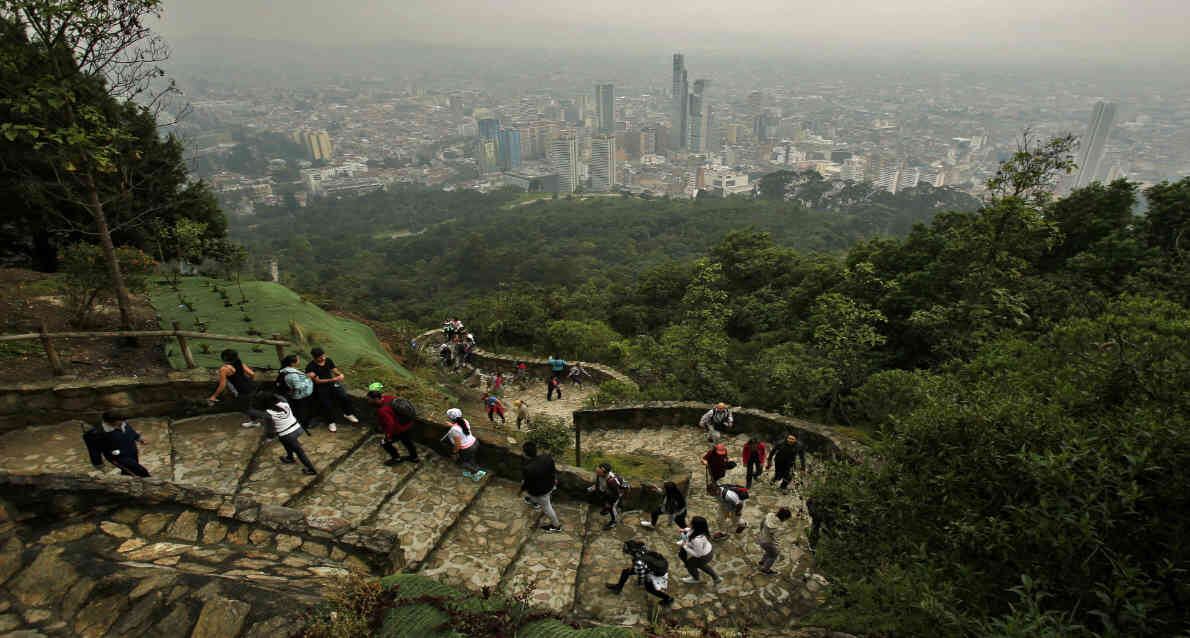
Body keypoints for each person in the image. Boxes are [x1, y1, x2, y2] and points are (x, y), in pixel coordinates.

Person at [255, 391, 317, 476]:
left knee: (299, 452)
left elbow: (269, 429)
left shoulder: (267, 413)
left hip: (287, 434)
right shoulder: (284, 402)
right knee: (284, 442)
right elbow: (277, 395)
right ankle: (290, 457)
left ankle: (311, 469)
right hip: (297, 428)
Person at [305, 347, 359, 433]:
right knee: (327, 404)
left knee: (344, 397)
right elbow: (317, 381)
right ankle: (331, 422)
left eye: (323, 356)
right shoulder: (310, 367)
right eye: (320, 357)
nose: (323, 358)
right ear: (314, 358)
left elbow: (334, 370)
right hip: (320, 387)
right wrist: (333, 379)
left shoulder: (328, 360)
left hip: (332, 384)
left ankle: (348, 414)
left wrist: (340, 374)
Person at [605, 539, 673, 606]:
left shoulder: (639, 562)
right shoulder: (641, 548)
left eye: (628, 551)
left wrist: (641, 581)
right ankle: (618, 588)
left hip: (657, 572)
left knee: (649, 589)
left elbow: (641, 575)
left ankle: (668, 599)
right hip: (658, 564)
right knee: (626, 571)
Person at [83, 411, 149, 477]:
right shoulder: (97, 433)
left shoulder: (122, 423)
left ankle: (127, 477)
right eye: (119, 421)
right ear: (109, 422)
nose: (122, 422)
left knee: (130, 470)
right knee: (141, 472)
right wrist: (98, 463)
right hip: (118, 457)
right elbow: (94, 450)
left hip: (131, 452)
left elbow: (131, 432)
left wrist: (139, 439)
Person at [209, 349, 261, 428]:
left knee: (244, 409)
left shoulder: (224, 369)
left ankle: (268, 417)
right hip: (251, 386)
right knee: (249, 407)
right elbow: (252, 374)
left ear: (224, 358)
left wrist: (214, 396)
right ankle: (254, 422)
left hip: (242, 390)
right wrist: (248, 381)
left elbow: (222, 385)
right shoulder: (239, 363)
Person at [368, 390, 420, 466]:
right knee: (407, 442)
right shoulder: (388, 397)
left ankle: (396, 458)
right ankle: (414, 458)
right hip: (408, 424)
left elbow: (390, 424)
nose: (368, 401)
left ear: (376, 399)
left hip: (399, 429)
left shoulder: (382, 410)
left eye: (369, 399)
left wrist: (388, 435)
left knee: (385, 443)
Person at [521, 441, 562, 533]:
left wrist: (522, 488)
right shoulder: (546, 458)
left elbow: (527, 483)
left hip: (541, 491)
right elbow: (553, 471)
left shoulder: (528, 468)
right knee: (533, 497)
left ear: (525, 454)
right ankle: (533, 501)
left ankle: (556, 526)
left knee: (547, 507)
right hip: (550, 484)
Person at [678, 516, 722, 586]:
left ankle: (695, 579)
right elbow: (691, 530)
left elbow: (698, 554)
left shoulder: (696, 540)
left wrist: (684, 546)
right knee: (702, 566)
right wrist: (685, 530)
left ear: (695, 525)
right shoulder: (701, 530)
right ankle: (716, 578)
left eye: (691, 521)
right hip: (707, 551)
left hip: (703, 556)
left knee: (690, 565)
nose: (689, 521)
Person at [275, 354, 314, 428]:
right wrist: (308, 378)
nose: (299, 361)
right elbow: (298, 386)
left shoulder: (284, 370)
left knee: (296, 410)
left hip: (292, 394)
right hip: (299, 395)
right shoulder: (293, 374)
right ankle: (302, 425)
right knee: (302, 411)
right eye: (298, 359)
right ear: (292, 363)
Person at [446, 408, 486, 480]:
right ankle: (475, 469)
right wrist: (452, 426)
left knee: (463, 462)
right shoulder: (464, 421)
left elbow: (457, 444)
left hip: (467, 448)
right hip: (474, 443)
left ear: (450, 418)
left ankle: (476, 473)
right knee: (471, 458)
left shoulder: (454, 430)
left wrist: (454, 452)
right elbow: (460, 430)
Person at [588, 462, 627, 530]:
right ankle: (606, 509)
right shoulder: (600, 475)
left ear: (605, 473)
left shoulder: (612, 481)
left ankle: (614, 521)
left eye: (599, 471)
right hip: (608, 492)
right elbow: (599, 483)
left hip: (618, 493)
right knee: (604, 500)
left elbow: (616, 494)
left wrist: (610, 503)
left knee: (612, 507)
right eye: (598, 468)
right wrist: (593, 488)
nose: (597, 470)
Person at [757, 507, 793, 574]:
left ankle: (762, 561)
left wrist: (761, 531)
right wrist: (777, 549)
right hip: (768, 543)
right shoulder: (778, 528)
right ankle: (765, 569)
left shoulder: (769, 515)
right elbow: (776, 540)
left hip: (762, 538)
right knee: (773, 555)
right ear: (784, 518)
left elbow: (761, 523)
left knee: (769, 551)